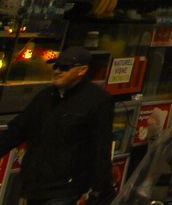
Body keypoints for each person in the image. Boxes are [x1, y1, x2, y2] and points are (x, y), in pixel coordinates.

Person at [0, 46, 114, 205]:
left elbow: (101, 145)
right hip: (35, 184)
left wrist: (101, 188)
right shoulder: (45, 97)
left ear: (82, 70)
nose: (58, 71)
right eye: (56, 66)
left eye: (65, 67)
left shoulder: (97, 101)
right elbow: (18, 129)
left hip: (66, 186)